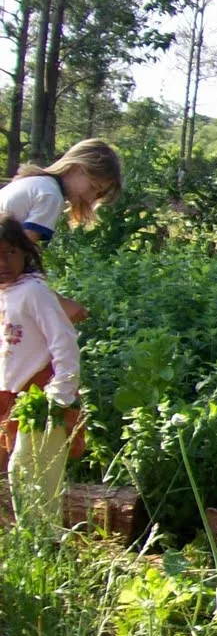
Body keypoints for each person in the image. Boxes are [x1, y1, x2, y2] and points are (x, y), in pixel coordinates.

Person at [0, 219, 83, 529]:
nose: (3, 263)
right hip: (10, 396)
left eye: (10, 252)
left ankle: (44, 538)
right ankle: (29, 535)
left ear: (25, 253)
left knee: (31, 470)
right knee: (18, 469)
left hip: (41, 396)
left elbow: (64, 340)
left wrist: (60, 392)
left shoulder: (34, 291)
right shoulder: (4, 293)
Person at [0, 138, 123, 324]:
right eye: (93, 187)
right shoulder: (51, 195)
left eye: (98, 195)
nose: (91, 198)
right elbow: (21, 258)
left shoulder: (36, 183)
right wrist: (58, 304)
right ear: (76, 168)